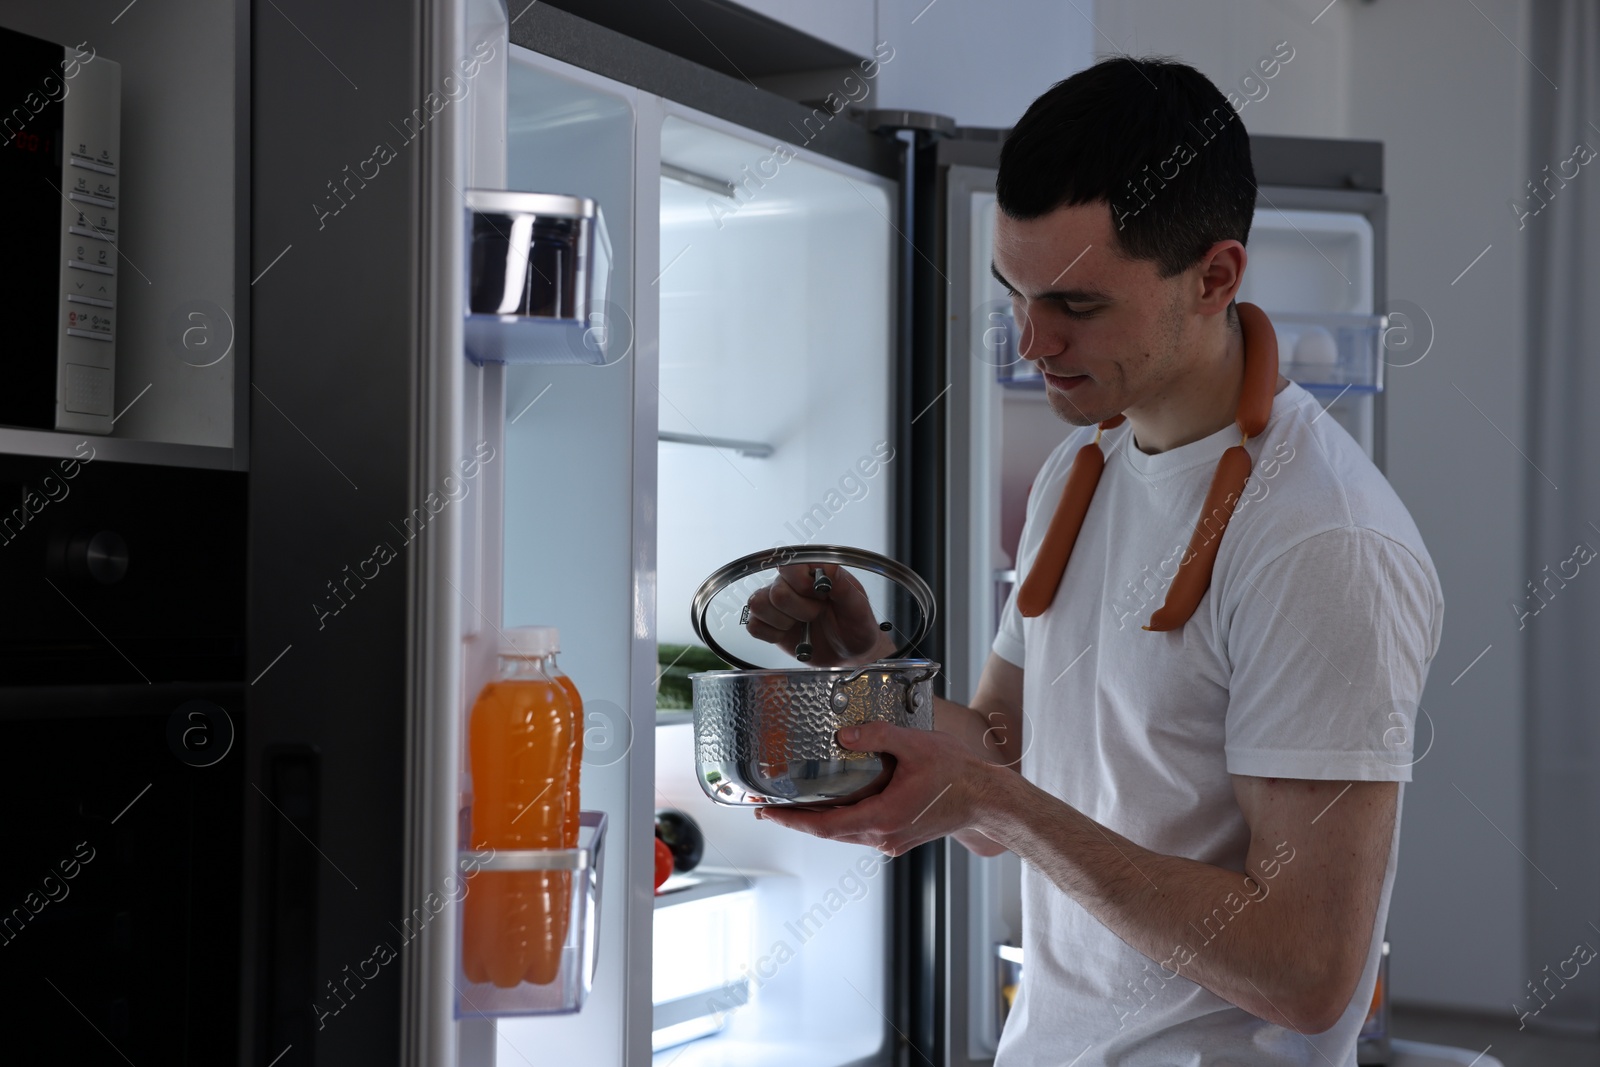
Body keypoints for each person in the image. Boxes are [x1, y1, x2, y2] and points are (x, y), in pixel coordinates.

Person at [744, 56, 1444, 1065]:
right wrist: (867, 665)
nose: (1031, 341)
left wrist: (998, 802)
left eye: (1076, 304)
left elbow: (1303, 969)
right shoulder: (1084, 466)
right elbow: (1001, 765)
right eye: (1015, 294)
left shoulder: (1320, 540)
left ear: (1214, 277)